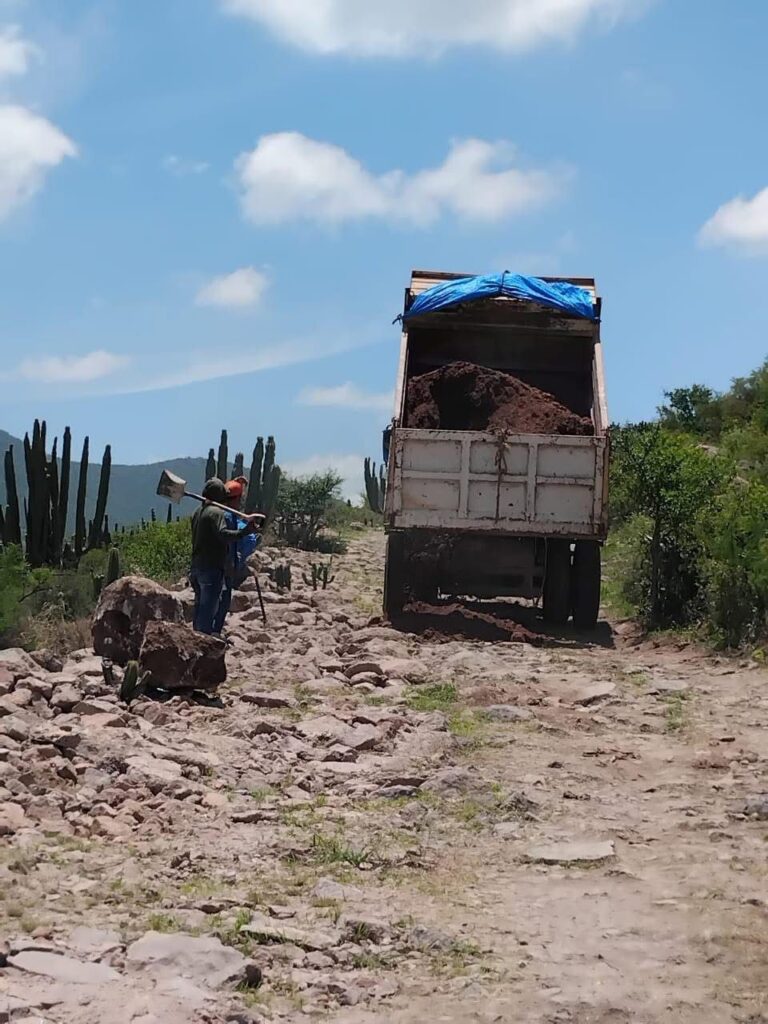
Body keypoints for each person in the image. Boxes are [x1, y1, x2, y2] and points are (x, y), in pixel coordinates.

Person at [189, 478, 262, 635]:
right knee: (208, 612)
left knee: (200, 609)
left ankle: (195, 641)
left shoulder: (197, 512)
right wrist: (245, 531)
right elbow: (223, 535)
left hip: (196, 567)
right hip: (212, 568)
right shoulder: (216, 513)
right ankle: (205, 646)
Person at [212, 477, 262, 637]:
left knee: (214, 602)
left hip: (218, 565)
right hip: (225, 567)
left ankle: (212, 632)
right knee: (221, 602)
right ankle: (214, 634)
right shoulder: (229, 517)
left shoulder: (220, 514)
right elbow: (245, 541)